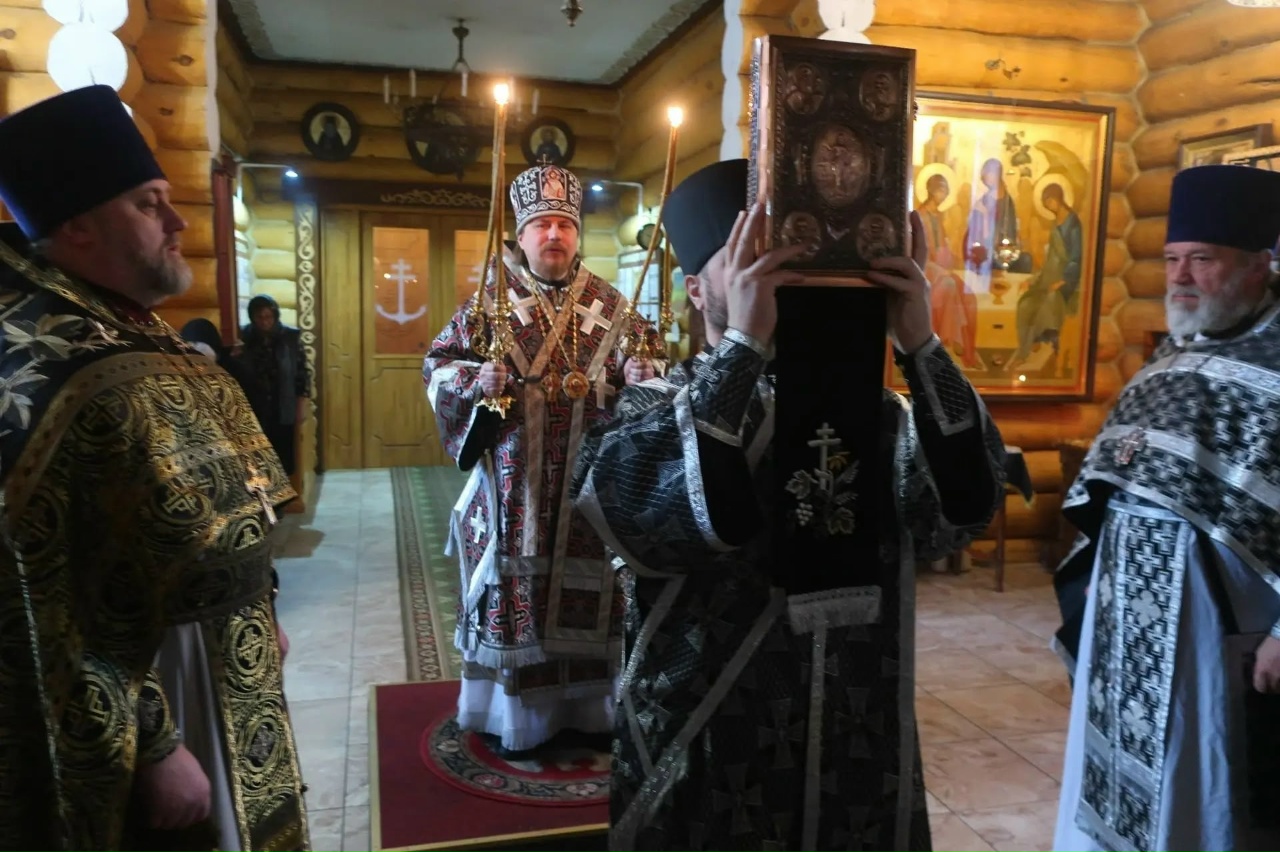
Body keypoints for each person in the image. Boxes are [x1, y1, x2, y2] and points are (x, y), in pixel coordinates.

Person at [571, 159, 1008, 851]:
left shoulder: (876, 415)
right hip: (708, 738)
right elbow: (634, 515)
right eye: (747, 256)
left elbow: (959, 513)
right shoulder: (655, 404)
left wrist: (919, 342)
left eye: (787, 255)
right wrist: (743, 347)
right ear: (695, 290)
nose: (775, 273)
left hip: (853, 737)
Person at [0, 85, 307, 852]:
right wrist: (154, 745)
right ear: (78, 224)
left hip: (227, 656)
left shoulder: (136, 330)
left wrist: (262, 605)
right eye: (149, 204)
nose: (178, 224)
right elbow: (46, 600)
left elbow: (229, 501)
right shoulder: (36, 373)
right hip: (155, 685)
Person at [1052, 164, 1280, 852]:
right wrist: (1095, 582)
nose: (1180, 277)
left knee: (1206, 784)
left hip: (1222, 632)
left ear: (1260, 265)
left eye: (1202, 259)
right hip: (1129, 625)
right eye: (1172, 259)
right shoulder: (1168, 364)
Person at [424, 163, 662, 758]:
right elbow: (438, 366)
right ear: (522, 235)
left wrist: (643, 374)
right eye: (542, 225)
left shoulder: (613, 304)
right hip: (517, 487)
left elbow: (649, 368)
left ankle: (589, 712)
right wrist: (476, 382)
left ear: (577, 234)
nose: (554, 234)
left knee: (593, 589)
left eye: (564, 224)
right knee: (519, 589)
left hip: (590, 487)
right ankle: (518, 720)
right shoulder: (489, 305)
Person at [1010, 181, 1083, 373]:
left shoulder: (1073, 224)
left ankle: (1028, 350)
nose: (1049, 205)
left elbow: (1076, 258)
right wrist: (1033, 280)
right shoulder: (1054, 224)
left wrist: (1064, 281)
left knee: (1047, 304)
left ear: (1059, 198)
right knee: (1025, 304)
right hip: (1048, 280)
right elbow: (1050, 259)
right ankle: (1028, 345)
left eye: (1050, 200)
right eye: (1046, 203)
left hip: (1068, 285)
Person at [239, 293, 309, 476]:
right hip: (254, 405)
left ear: (275, 315)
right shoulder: (243, 337)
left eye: (268, 316)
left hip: (282, 403)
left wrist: (301, 406)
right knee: (256, 455)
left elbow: (301, 374)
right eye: (259, 317)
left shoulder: (290, 338)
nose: (264, 322)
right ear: (252, 317)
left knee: (283, 456)